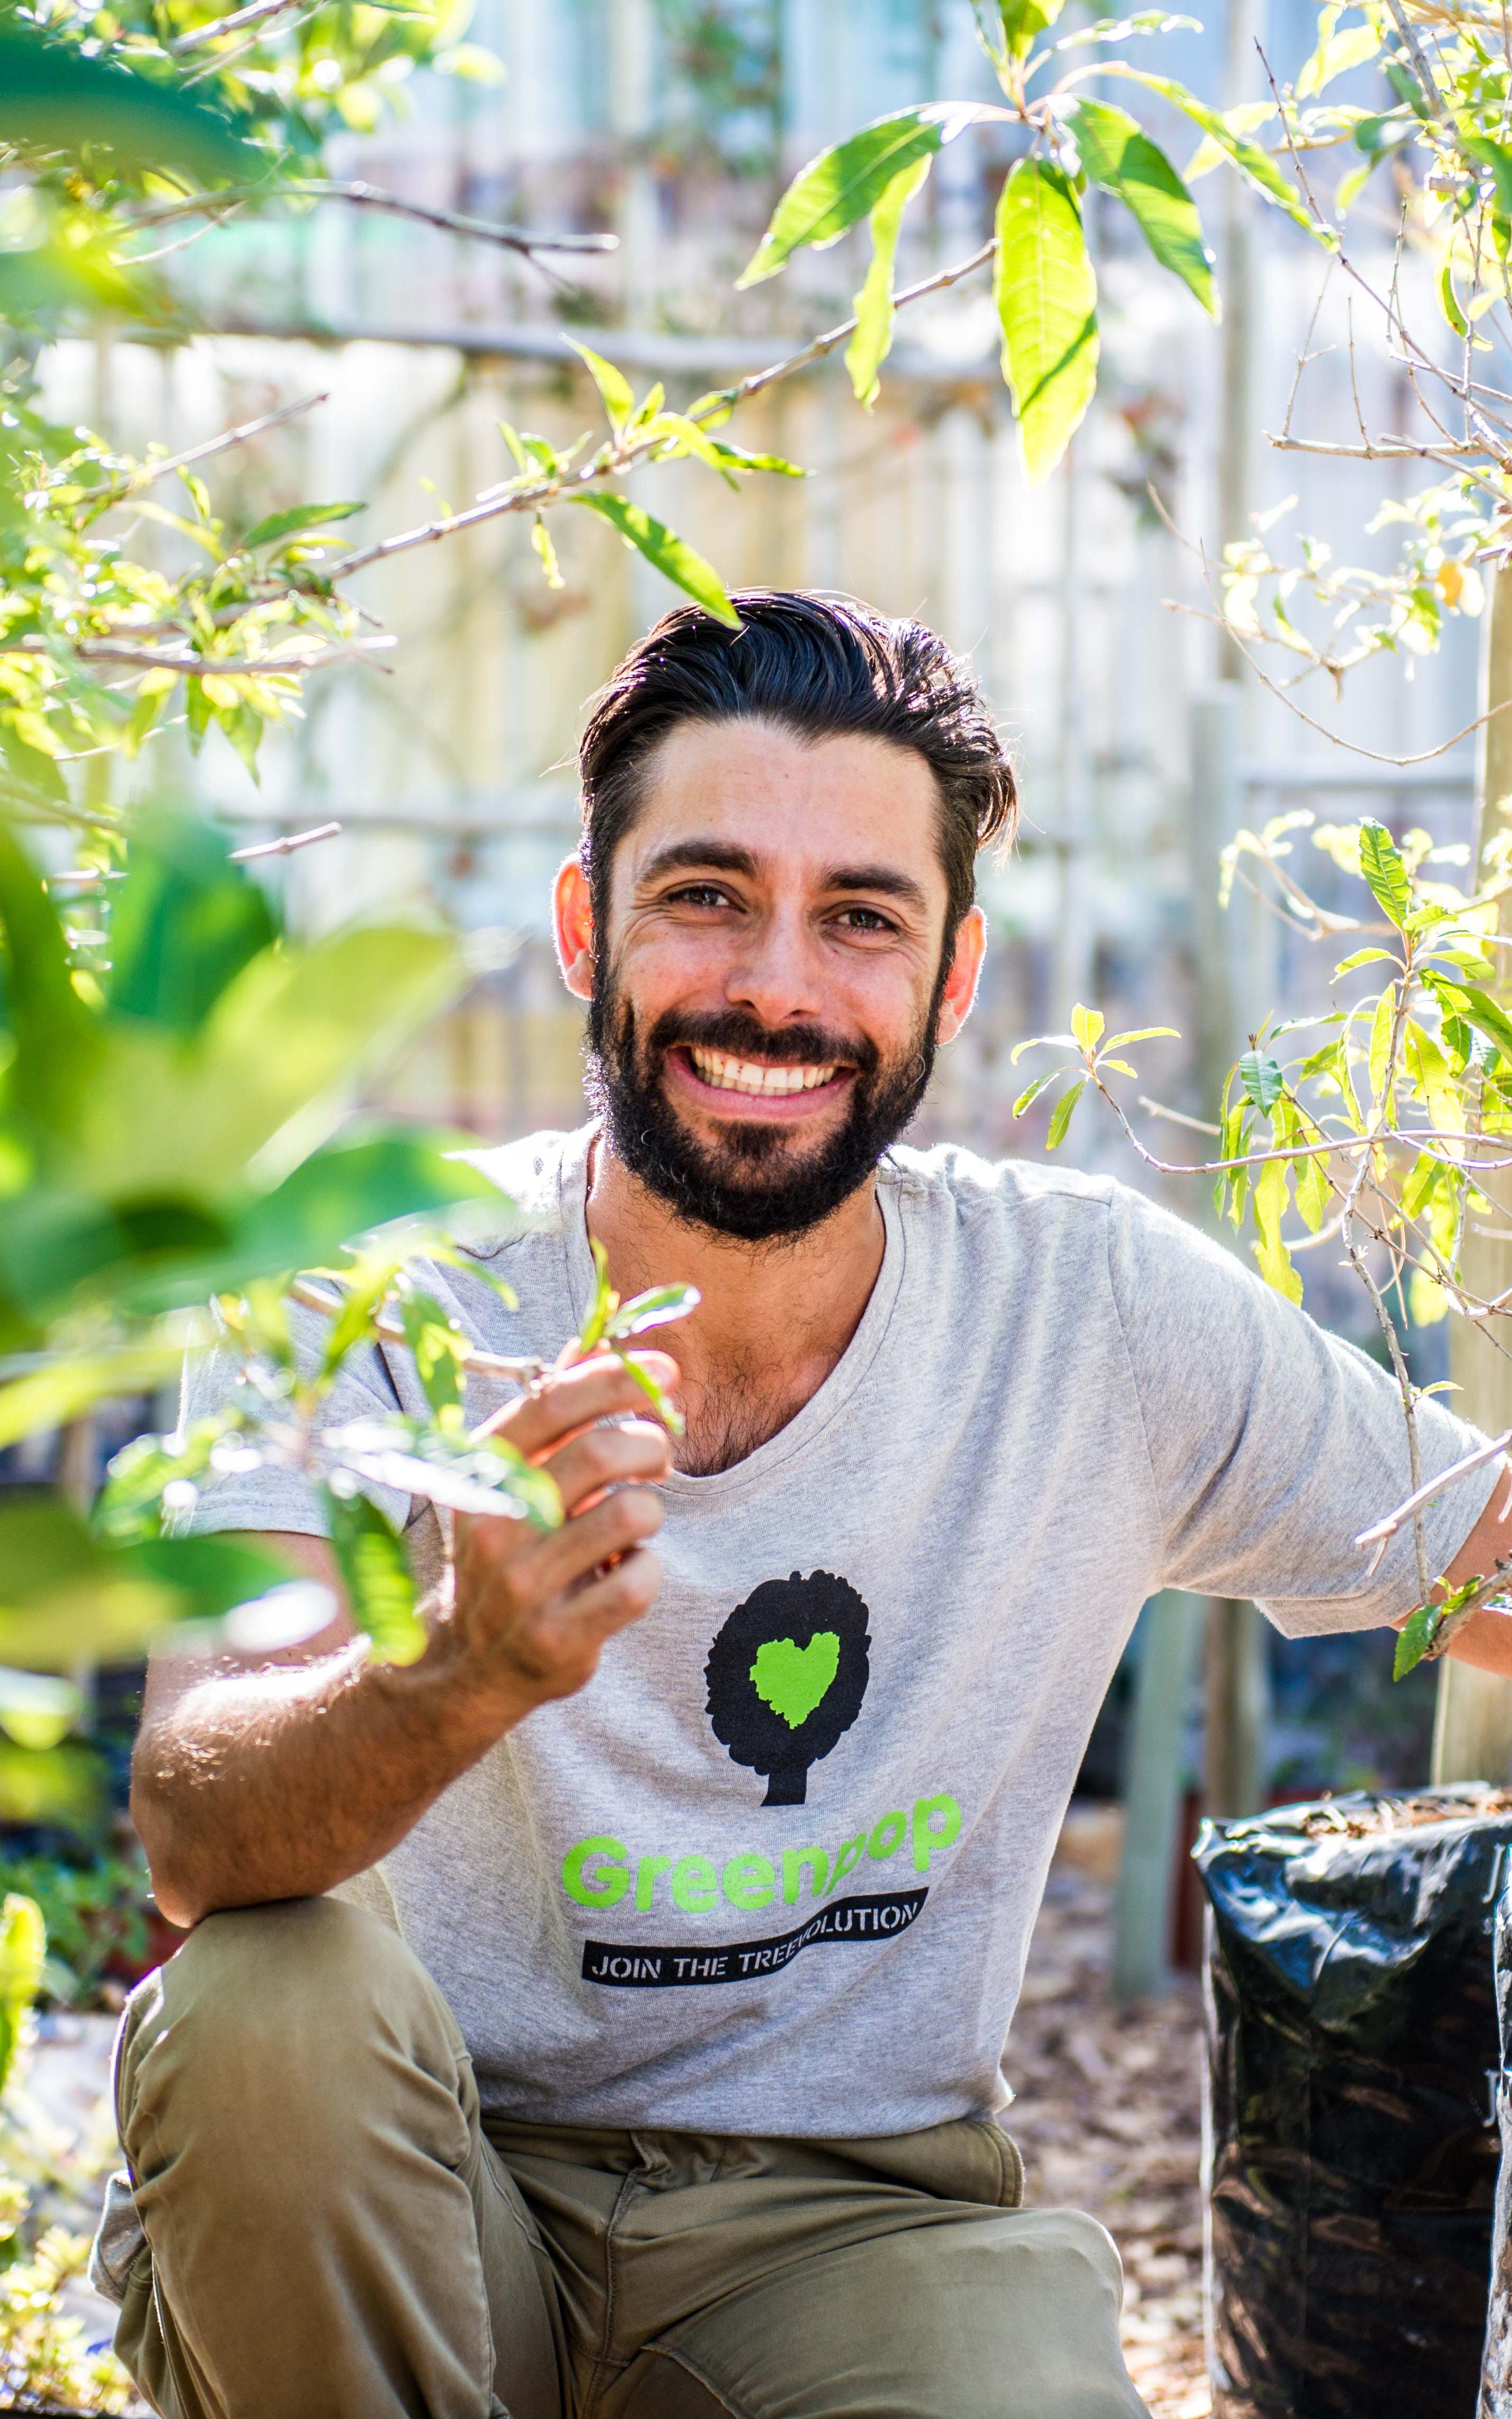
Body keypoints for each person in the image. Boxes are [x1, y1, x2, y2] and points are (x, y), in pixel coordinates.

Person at [100, 592, 1512, 2419]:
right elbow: (194, 1819)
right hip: (425, 2200)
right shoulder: (370, 1283)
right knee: (256, 2007)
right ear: (582, 925)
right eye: (704, 894)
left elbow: (1482, 1551)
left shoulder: (1087, 1313)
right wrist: (449, 1671)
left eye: (861, 918)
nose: (778, 986)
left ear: (953, 976)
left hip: (855, 2229)